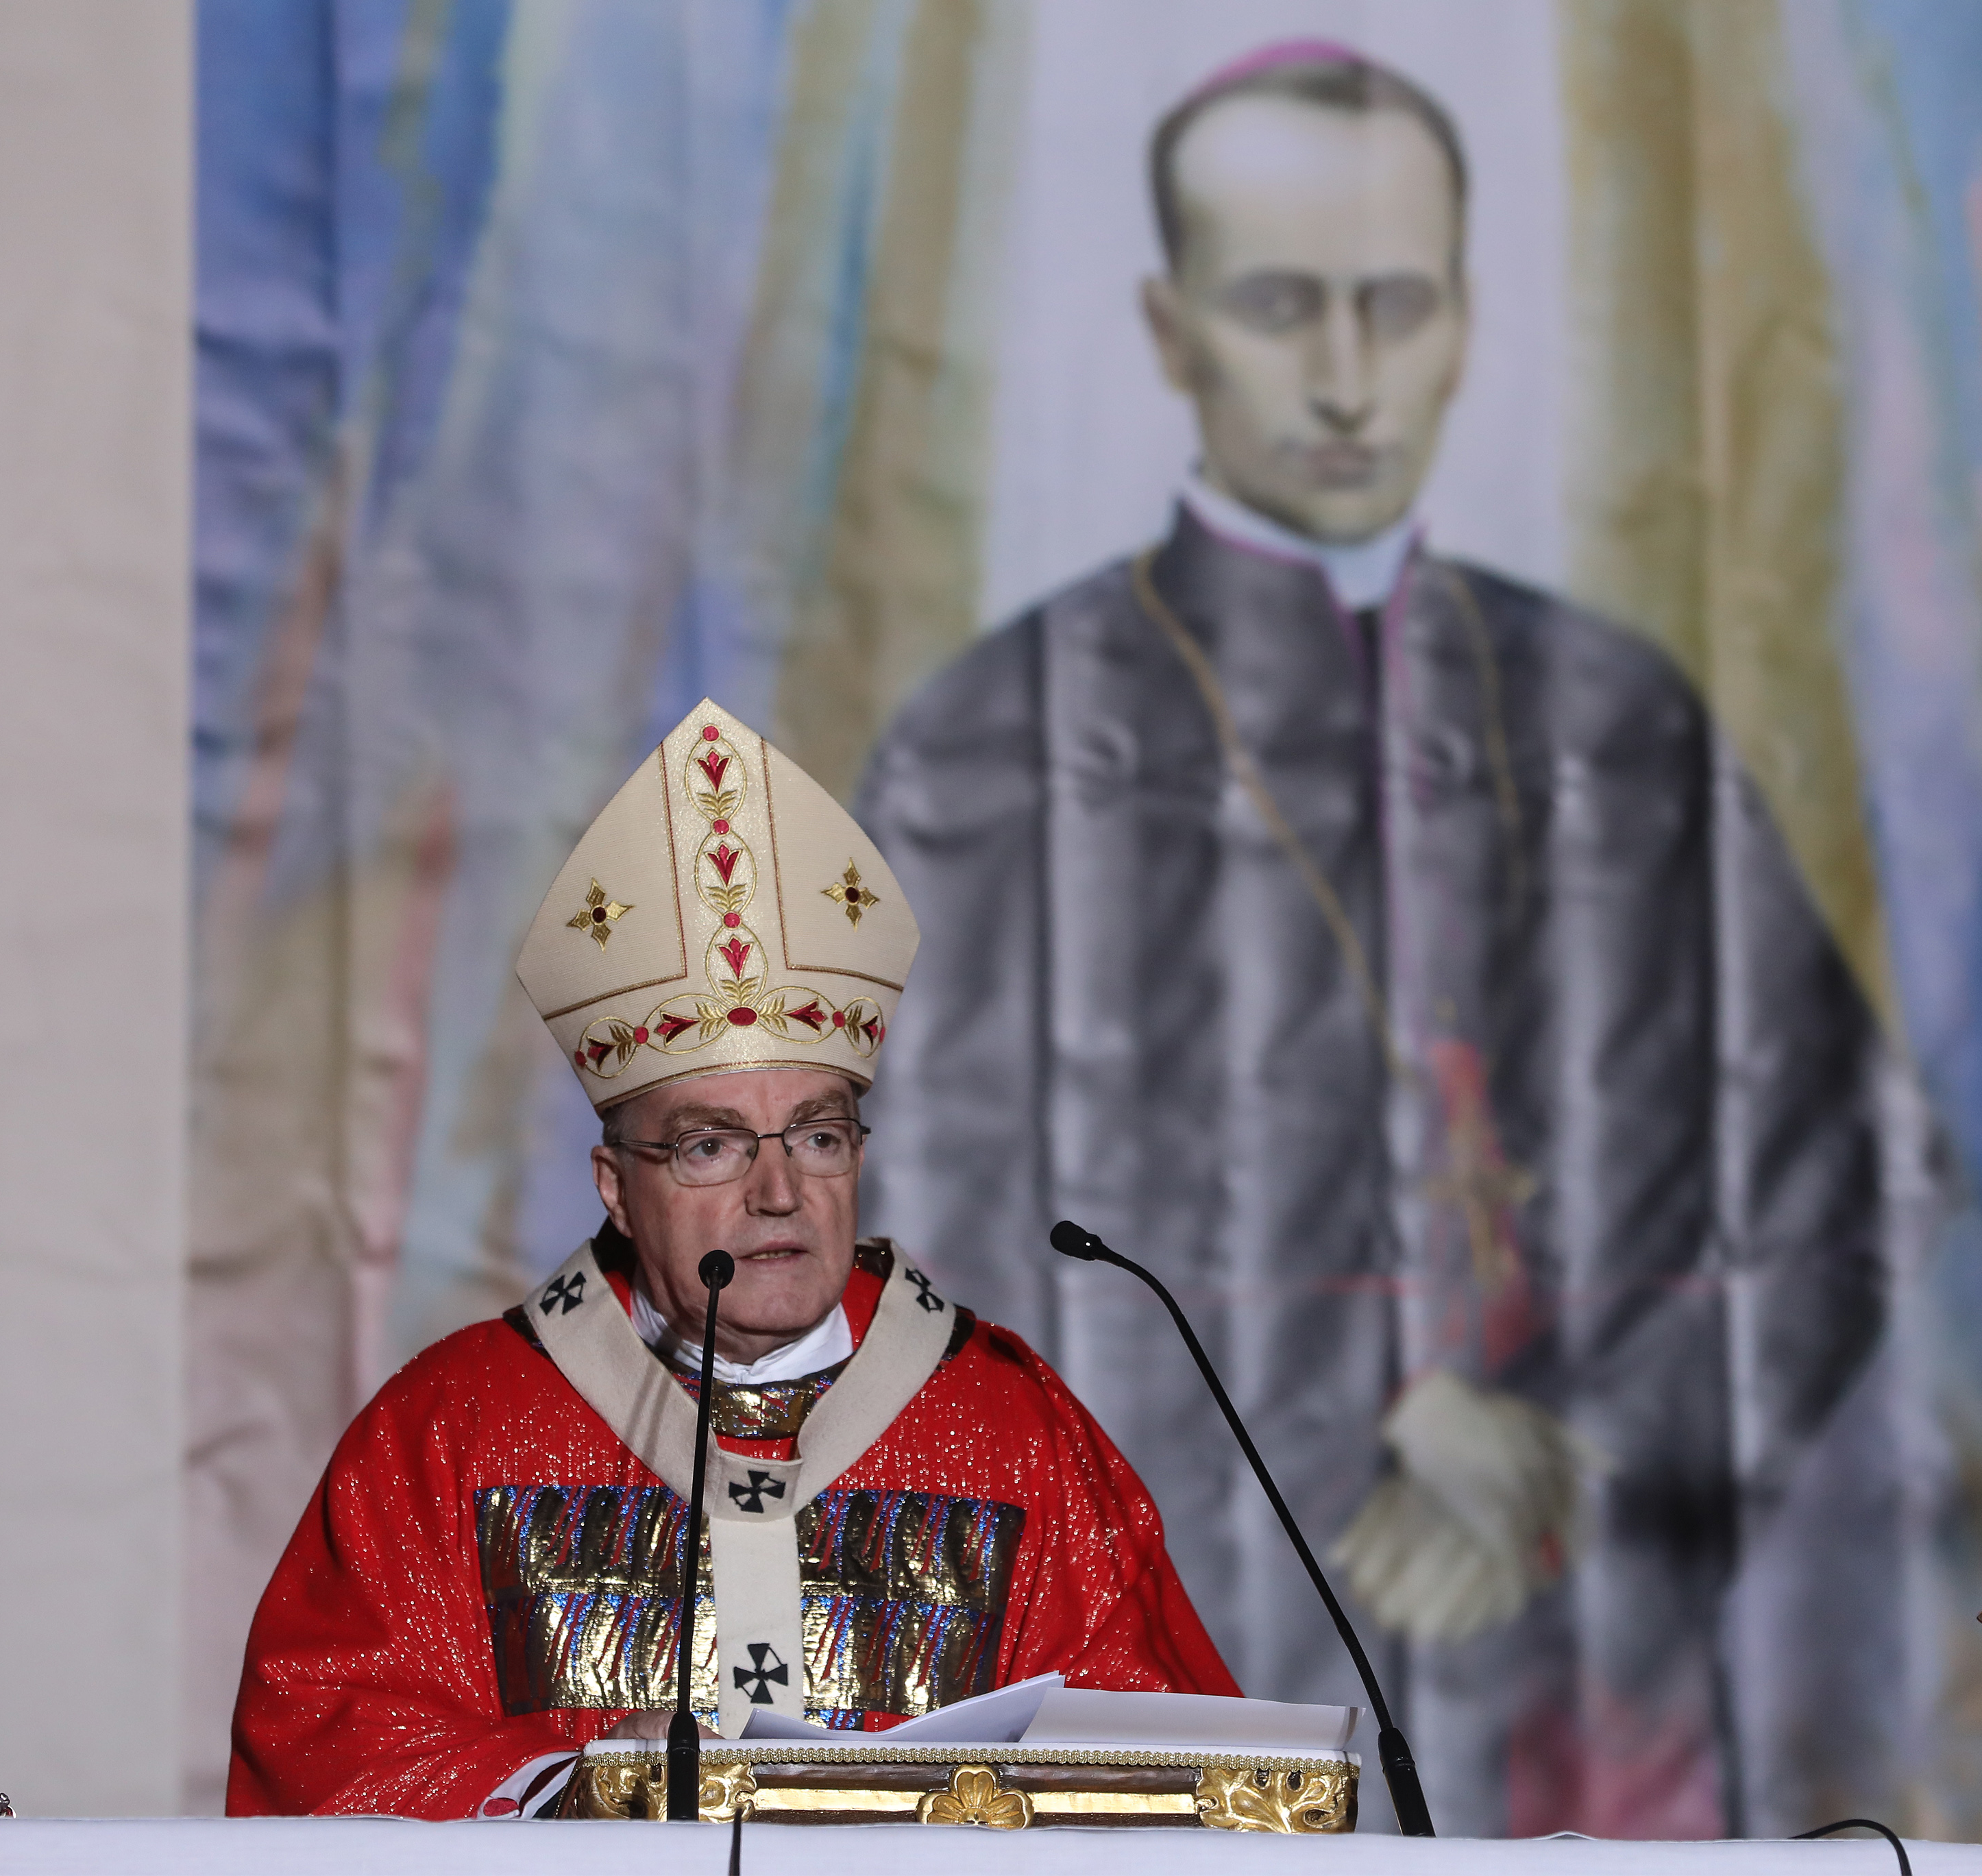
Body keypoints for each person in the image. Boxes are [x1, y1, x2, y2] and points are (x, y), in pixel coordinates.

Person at [853, 43, 1885, 1835]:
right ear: (1170, 329)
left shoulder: (1616, 713)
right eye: (1278, 306)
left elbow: (1842, 1182)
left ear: (1468, 319)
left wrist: (1582, 1440)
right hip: (1192, 1671)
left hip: (1588, 1689)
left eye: (1394, 306)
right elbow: (922, 1267)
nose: (1345, 378)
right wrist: (1362, 1418)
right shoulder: (988, 746)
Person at [228, 697, 1237, 1819]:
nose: (778, 1192)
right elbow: (327, 1738)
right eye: (711, 1145)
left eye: (816, 1134)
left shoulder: (1011, 1433)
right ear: (617, 1187)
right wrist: (571, 1793)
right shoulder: (454, 1431)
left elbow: (1172, 1769)